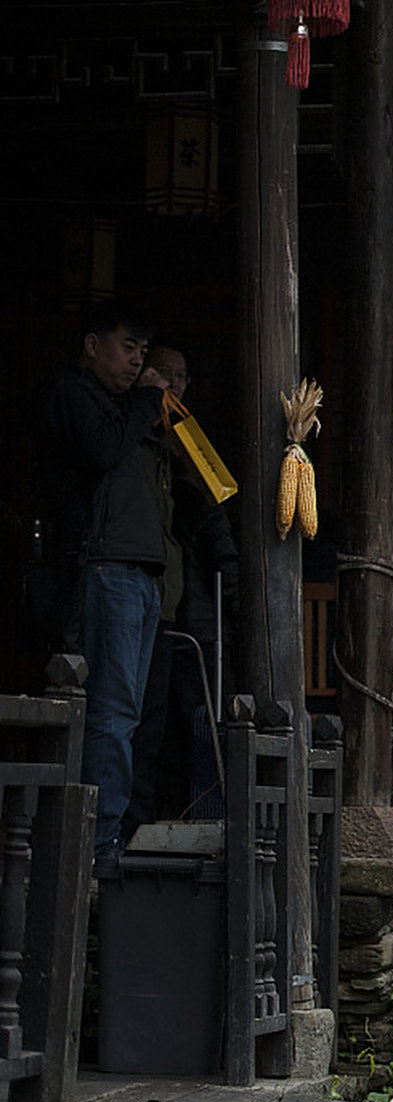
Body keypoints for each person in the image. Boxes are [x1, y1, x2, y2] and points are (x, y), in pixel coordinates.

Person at [30, 302, 172, 859]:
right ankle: (95, 844)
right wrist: (143, 401)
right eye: (126, 348)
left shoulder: (124, 407)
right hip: (104, 565)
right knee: (109, 713)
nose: (136, 362)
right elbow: (102, 450)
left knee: (128, 716)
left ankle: (106, 834)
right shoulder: (74, 394)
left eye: (142, 353)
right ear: (92, 345)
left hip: (138, 571)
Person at [124, 344, 239, 833]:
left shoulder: (189, 443)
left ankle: (208, 820)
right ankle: (141, 821)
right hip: (157, 600)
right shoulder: (135, 438)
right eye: (163, 374)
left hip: (196, 609)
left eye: (181, 376)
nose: (173, 385)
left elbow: (215, 522)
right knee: (150, 724)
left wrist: (231, 577)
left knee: (205, 721)